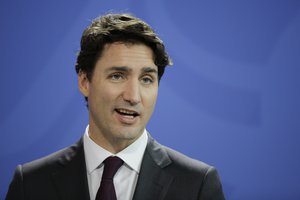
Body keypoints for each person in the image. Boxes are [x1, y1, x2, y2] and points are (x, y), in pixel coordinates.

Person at [6, 13, 225, 200]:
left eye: (147, 79)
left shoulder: (198, 185)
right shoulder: (31, 183)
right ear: (84, 81)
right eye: (117, 76)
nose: (133, 96)